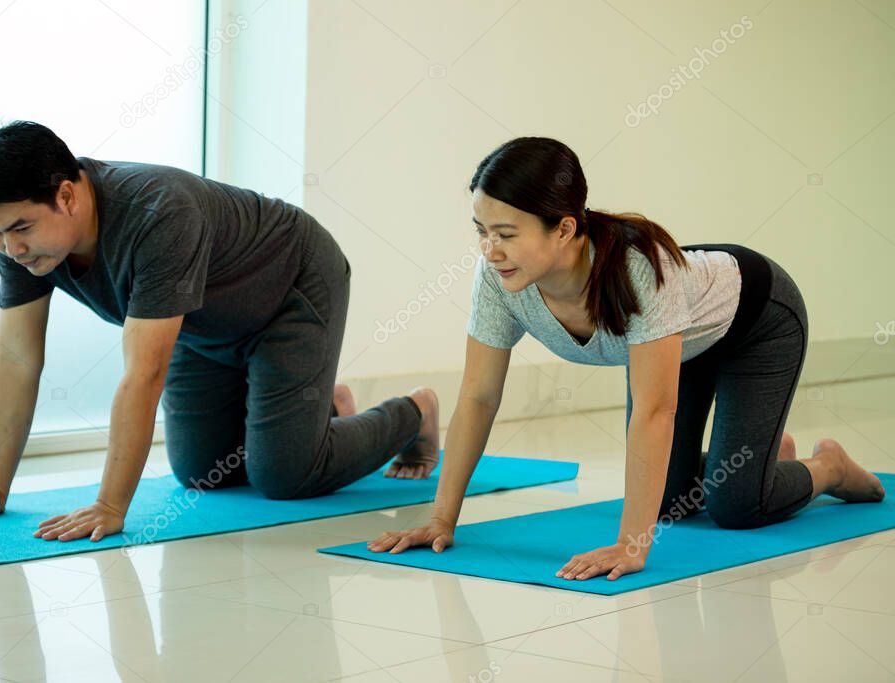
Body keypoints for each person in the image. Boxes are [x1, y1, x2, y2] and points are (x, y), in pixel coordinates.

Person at [369, 136, 885, 581]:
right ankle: (756, 454)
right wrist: (442, 518)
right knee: (666, 503)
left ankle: (828, 466)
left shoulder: (638, 273)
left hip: (756, 321)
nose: (489, 249)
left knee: (736, 506)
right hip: (681, 333)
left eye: (505, 234)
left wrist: (631, 546)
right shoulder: (500, 281)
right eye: (482, 230)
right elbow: (479, 396)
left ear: (565, 229)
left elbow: (654, 411)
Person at [0, 121, 440, 542]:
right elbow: (18, 358)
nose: (11, 249)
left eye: (21, 229)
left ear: (68, 196)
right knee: (203, 473)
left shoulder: (157, 213)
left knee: (284, 477)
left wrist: (111, 505)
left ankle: (412, 413)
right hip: (205, 323)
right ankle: (318, 410)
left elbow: (144, 374)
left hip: (291, 290)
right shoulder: (19, 246)